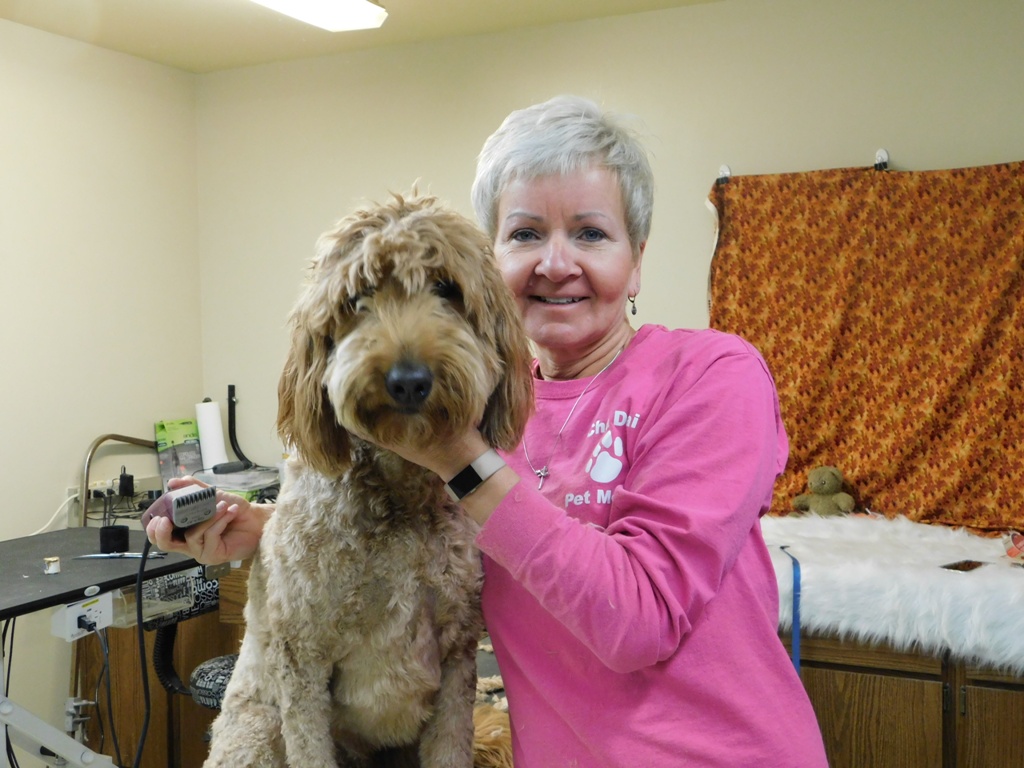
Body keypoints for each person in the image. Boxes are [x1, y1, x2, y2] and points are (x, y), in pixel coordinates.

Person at [148, 95, 828, 767]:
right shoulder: (482, 407)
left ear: (637, 258)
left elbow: (639, 619)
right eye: (525, 234)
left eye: (591, 233)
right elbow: (436, 531)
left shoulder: (712, 374)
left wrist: (459, 457)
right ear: (491, 263)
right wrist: (268, 529)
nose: (555, 263)